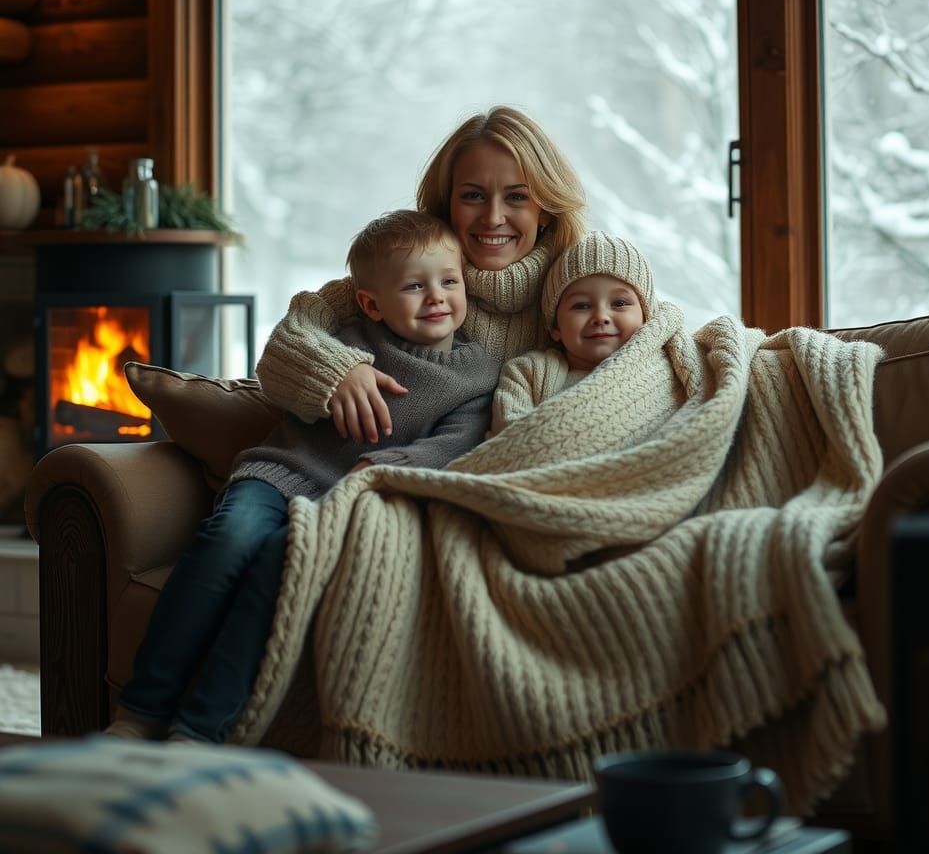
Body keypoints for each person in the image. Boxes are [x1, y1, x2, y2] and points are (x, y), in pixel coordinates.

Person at [106, 210, 501, 744]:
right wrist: (334, 370)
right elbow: (289, 357)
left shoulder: (475, 373)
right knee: (229, 539)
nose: (436, 297)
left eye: (449, 282)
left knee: (278, 569)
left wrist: (388, 466)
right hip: (280, 473)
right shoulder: (344, 341)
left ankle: (199, 730)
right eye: (414, 286)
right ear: (371, 303)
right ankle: (141, 710)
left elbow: (456, 441)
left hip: (347, 501)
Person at [255, 106, 588, 445]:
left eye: (516, 197)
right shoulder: (404, 277)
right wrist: (338, 372)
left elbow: (640, 357)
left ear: (545, 209)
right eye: (473, 196)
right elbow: (288, 341)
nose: (492, 217)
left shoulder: (581, 285)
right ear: (448, 204)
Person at [489, 231, 656, 435]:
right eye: (582, 306)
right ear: (555, 327)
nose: (601, 316)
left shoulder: (662, 368)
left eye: (619, 303)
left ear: (646, 316)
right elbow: (506, 439)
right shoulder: (528, 373)